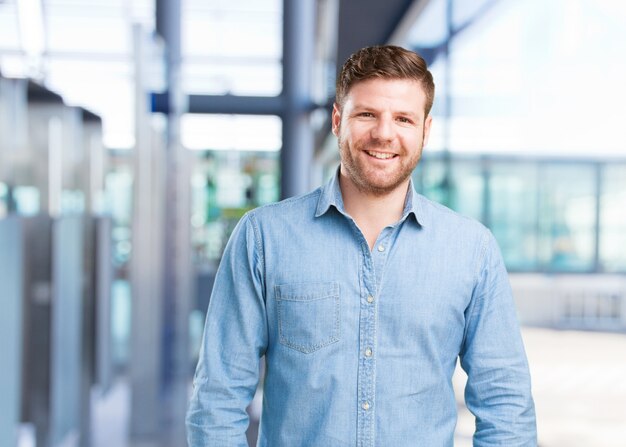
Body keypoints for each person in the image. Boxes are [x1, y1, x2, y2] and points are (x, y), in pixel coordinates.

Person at [186, 45, 537, 447]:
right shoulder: (263, 237)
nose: (384, 133)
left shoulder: (472, 250)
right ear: (338, 121)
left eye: (403, 118)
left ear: (425, 130)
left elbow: (506, 406)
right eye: (367, 114)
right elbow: (218, 397)